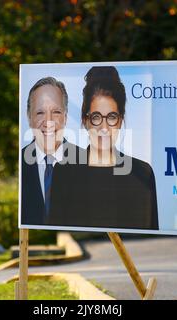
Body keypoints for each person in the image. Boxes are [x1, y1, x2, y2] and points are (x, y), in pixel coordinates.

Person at [47, 66, 159, 230]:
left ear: (120, 120)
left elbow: (152, 238)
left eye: (112, 117)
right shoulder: (64, 173)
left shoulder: (143, 173)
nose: (104, 127)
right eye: (96, 117)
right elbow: (58, 233)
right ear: (85, 120)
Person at [21, 76, 85, 225]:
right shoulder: (19, 162)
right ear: (29, 118)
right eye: (40, 113)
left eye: (56, 112)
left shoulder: (87, 163)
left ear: (65, 117)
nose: (48, 121)